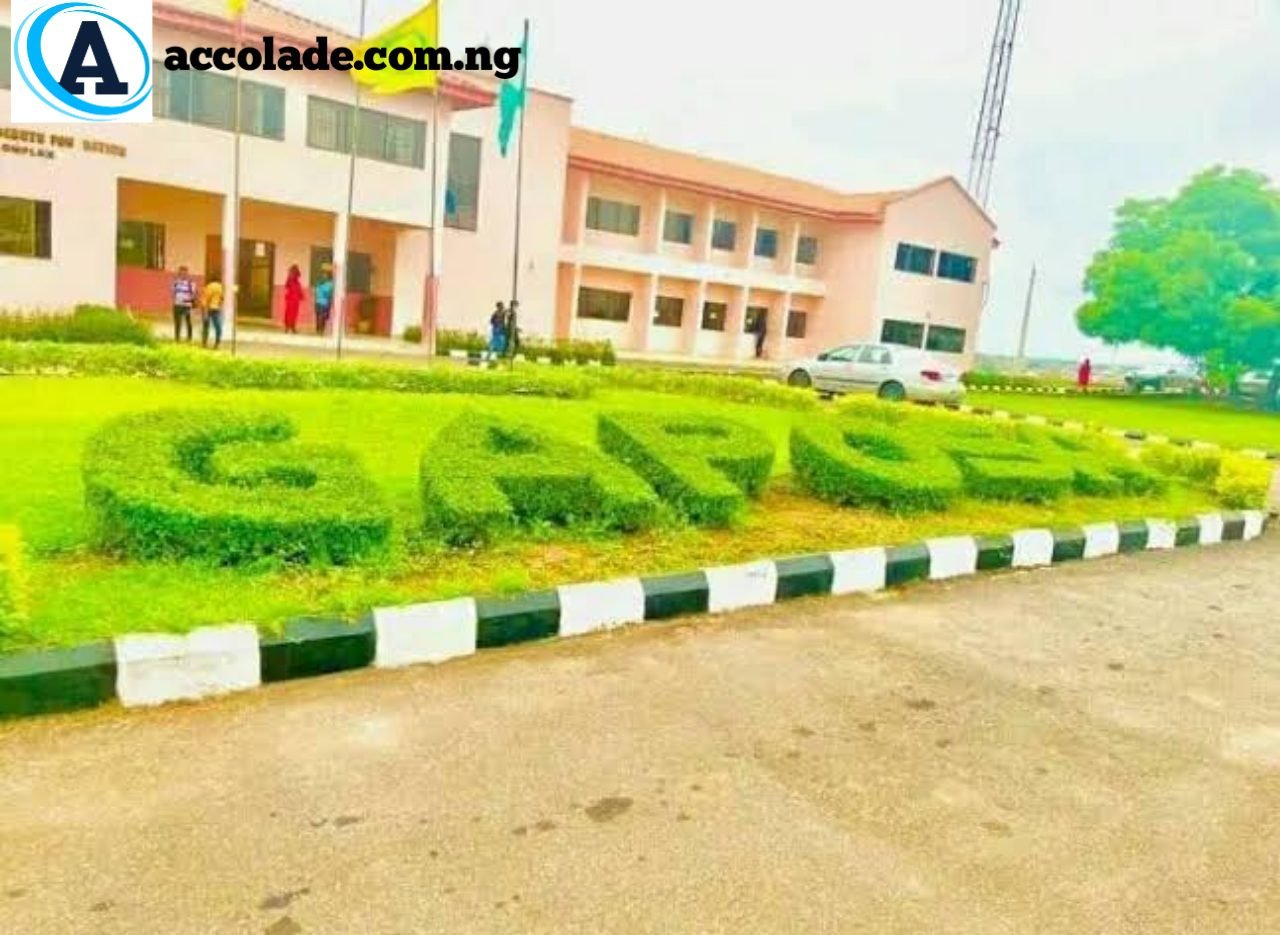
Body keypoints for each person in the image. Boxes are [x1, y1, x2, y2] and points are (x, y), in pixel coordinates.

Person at [171, 266, 196, 342]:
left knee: (188, 322)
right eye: (181, 273)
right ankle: (177, 338)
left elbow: (193, 294)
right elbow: (173, 293)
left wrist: (188, 301)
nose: (183, 275)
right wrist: (175, 301)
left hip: (187, 305)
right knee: (177, 322)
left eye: (185, 273)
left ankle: (189, 338)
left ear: (187, 274)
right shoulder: (175, 283)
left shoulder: (191, 283)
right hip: (177, 304)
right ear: (179, 273)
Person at [199, 275, 224, 350]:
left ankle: (204, 343)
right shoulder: (221, 287)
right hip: (216, 309)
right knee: (218, 327)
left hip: (208, 308)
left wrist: (204, 311)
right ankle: (217, 344)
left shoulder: (208, 287)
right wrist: (220, 306)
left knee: (206, 326)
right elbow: (222, 299)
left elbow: (204, 300)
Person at [283, 264, 305, 334]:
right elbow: (287, 286)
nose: (297, 276)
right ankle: (288, 327)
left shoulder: (297, 283)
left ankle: (291, 327)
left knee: (293, 314)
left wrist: (301, 296)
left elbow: (299, 291)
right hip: (291, 300)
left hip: (294, 300)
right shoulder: (290, 281)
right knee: (289, 314)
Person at [313, 265, 334, 335]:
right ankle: (318, 329)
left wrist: (329, 303)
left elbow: (329, 294)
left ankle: (321, 329)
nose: (323, 276)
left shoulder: (330, 284)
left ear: (328, 276)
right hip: (318, 302)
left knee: (322, 317)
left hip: (324, 303)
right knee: (318, 316)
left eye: (325, 275)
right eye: (323, 275)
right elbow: (316, 291)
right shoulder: (319, 283)